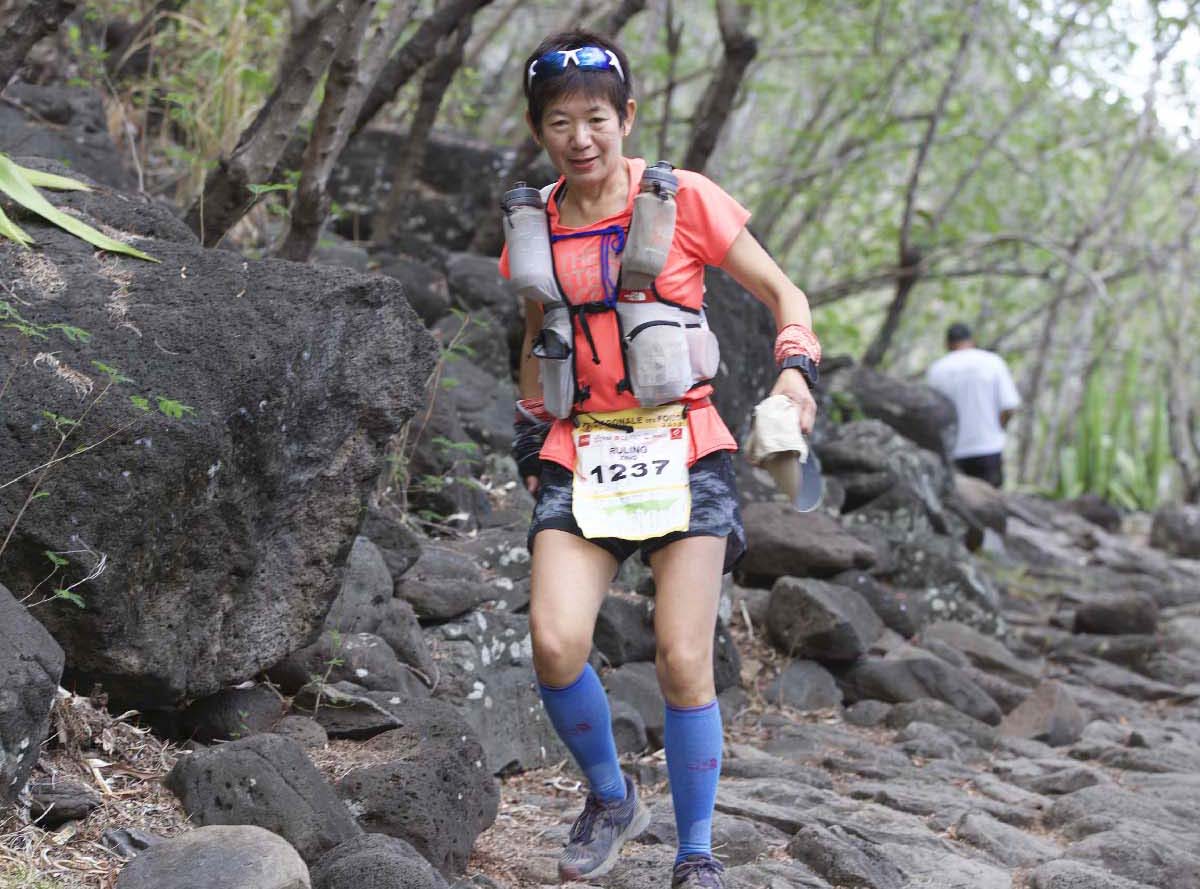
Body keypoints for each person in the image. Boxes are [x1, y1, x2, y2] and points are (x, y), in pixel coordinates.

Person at [501, 30, 820, 889]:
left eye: (597, 118)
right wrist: (533, 434)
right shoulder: (532, 229)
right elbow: (537, 343)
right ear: (540, 131)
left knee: (682, 657)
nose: (581, 138)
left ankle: (696, 852)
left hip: (685, 447)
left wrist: (796, 371)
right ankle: (611, 797)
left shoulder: (683, 201)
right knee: (556, 643)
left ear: (626, 117)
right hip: (583, 450)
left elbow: (784, 293)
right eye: (560, 122)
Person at [925, 322, 1021, 488]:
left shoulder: (937, 370)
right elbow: (1009, 406)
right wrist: (998, 428)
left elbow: (931, 414)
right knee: (991, 502)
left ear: (947, 343)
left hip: (952, 451)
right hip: (988, 447)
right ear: (972, 340)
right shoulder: (992, 362)